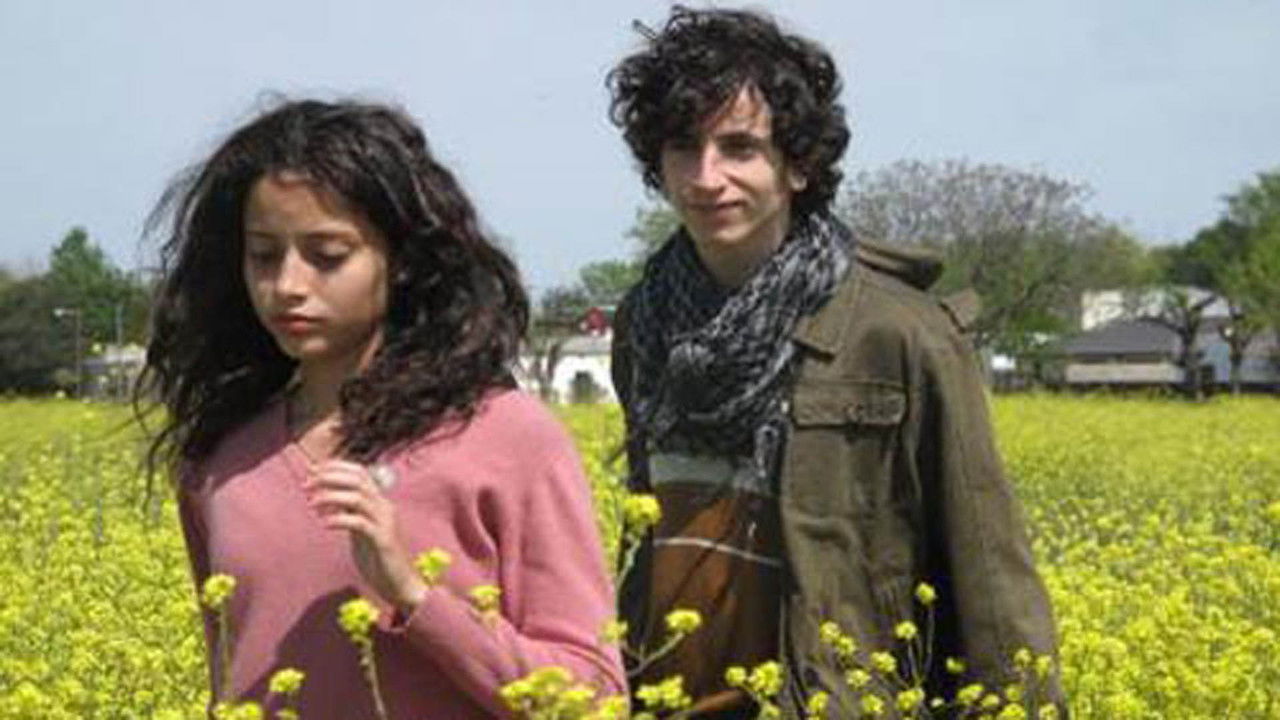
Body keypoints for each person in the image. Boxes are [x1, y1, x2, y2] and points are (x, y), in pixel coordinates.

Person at [606, 7, 1064, 718]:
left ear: (797, 164)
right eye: (682, 147)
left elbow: (988, 569)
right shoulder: (645, 323)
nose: (706, 176)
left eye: (739, 147)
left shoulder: (900, 333)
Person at [139, 99, 624, 718]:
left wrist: (416, 596)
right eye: (263, 255)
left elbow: (595, 697)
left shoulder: (508, 437)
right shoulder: (222, 461)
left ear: (400, 262)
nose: (287, 285)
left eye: (328, 255)